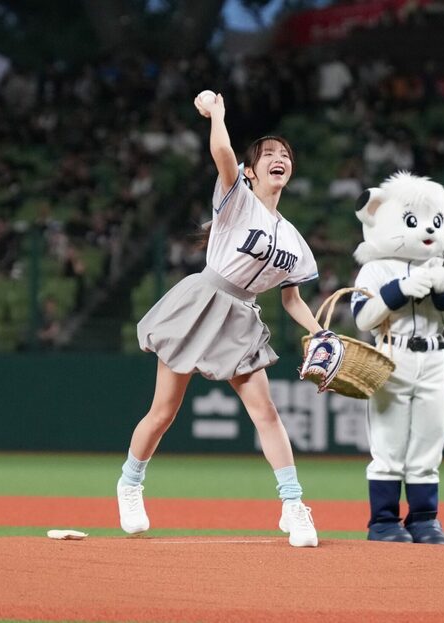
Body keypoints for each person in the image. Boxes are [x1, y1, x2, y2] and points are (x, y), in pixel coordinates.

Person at [116, 92, 326, 548]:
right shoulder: (237, 200)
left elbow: (292, 300)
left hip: (242, 317)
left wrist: (318, 331)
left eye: (285, 156)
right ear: (251, 171)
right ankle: (130, 485)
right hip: (202, 300)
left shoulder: (294, 239)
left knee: (266, 412)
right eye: (268, 155)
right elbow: (223, 152)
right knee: (163, 412)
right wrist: (218, 115)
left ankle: (293, 505)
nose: (279, 159)